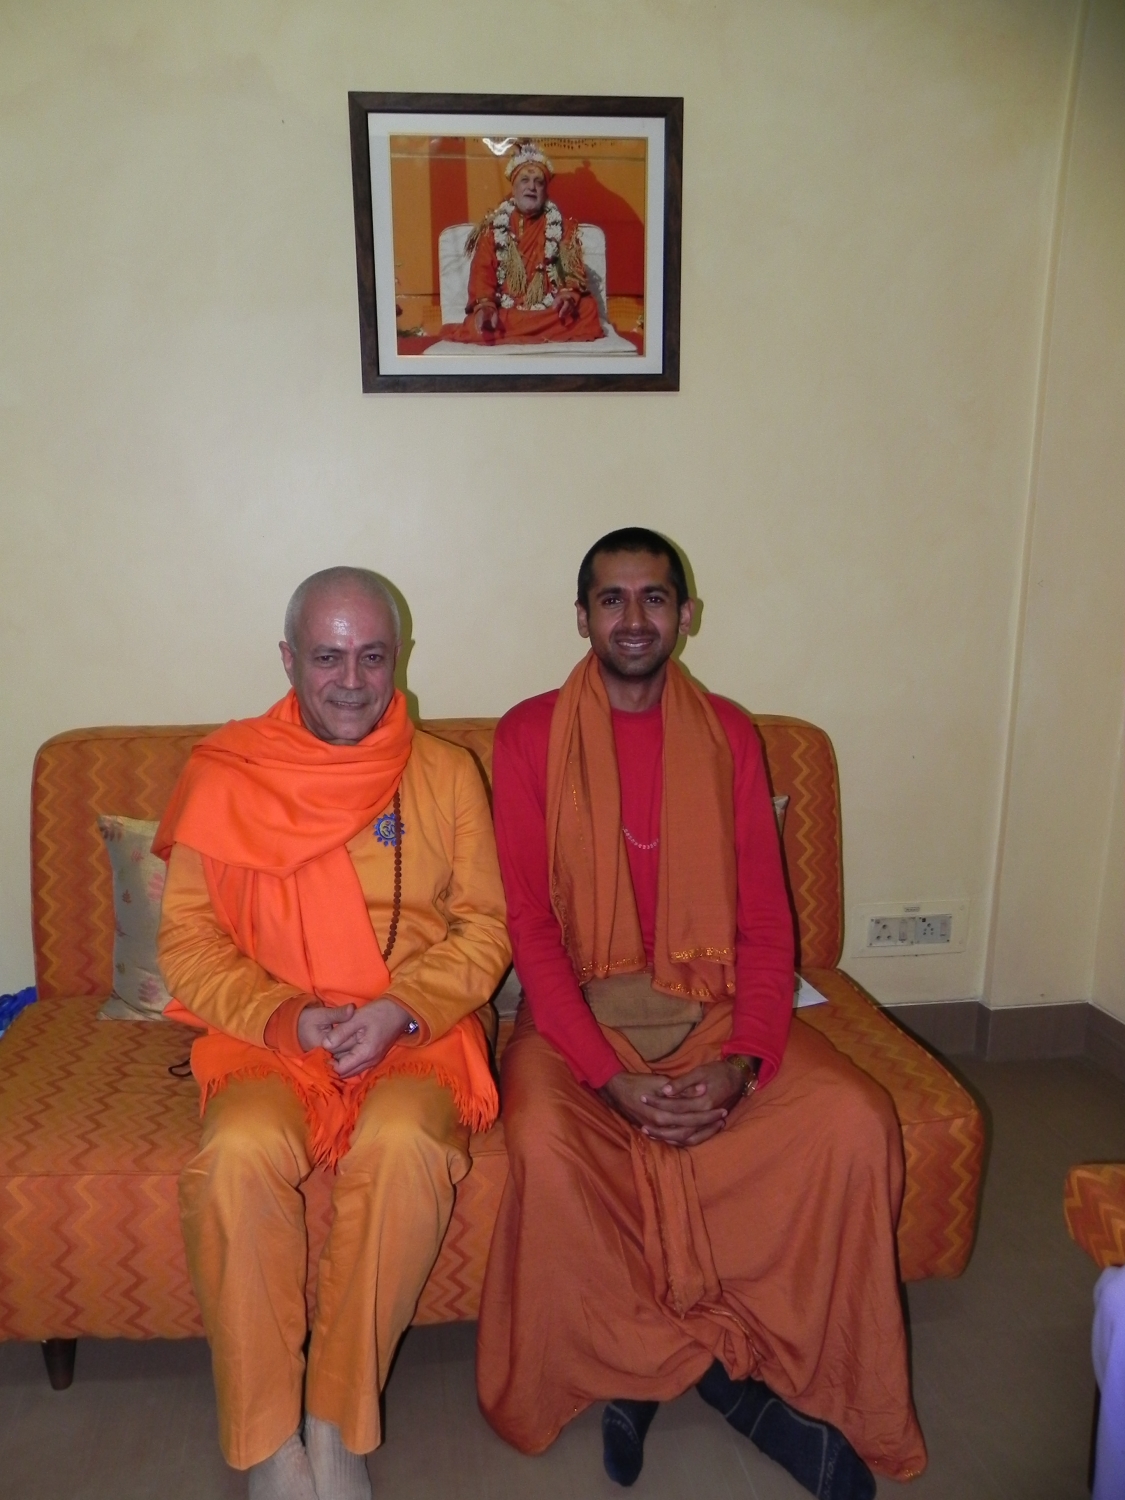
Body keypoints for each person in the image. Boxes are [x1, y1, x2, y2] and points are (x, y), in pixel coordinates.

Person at [476, 529, 927, 1500]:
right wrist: (608, 1077)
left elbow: (766, 923)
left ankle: (710, 1367)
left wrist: (746, 1062)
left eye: (654, 597)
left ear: (687, 614)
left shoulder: (728, 733)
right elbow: (531, 929)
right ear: (582, 618)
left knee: (851, 1121)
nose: (633, 618)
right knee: (547, 1141)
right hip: (578, 1017)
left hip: (714, 1009)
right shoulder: (528, 736)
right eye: (611, 599)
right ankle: (713, 1379)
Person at [155, 567, 510, 1500]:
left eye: (372, 657)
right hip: (271, 1033)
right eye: (327, 657)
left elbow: (486, 927)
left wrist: (402, 1008)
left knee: (403, 1145)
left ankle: (337, 1422)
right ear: (287, 660)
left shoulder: (444, 774)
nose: (351, 681)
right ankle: (269, 1440)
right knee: (236, 1154)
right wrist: (285, 1015)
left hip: (415, 1030)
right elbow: (187, 941)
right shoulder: (227, 773)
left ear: (399, 658)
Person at [441, 140, 605, 346]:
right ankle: (513, 328)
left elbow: (571, 270)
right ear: (514, 187)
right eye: (525, 180)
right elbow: (482, 272)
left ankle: (510, 333)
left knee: (587, 309)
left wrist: (567, 297)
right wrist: (486, 307)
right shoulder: (494, 229)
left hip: (550, 308)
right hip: (508, 310)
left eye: (539, 182)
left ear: (545, 190)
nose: (531, 187)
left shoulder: (563, 228)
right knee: (479, 322)